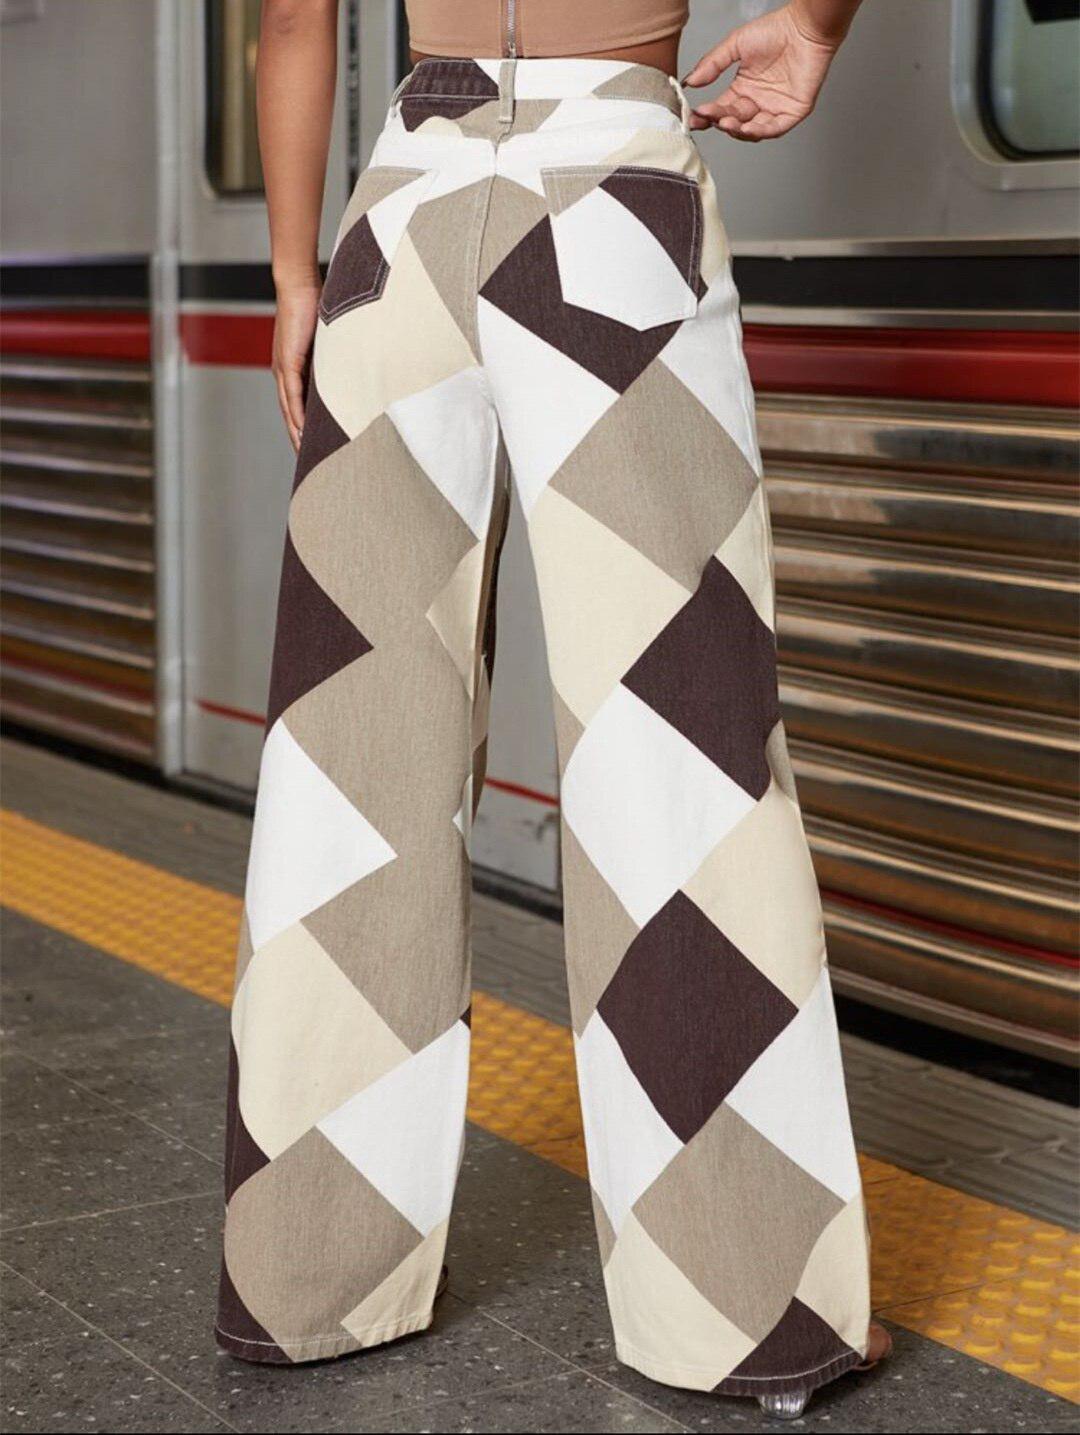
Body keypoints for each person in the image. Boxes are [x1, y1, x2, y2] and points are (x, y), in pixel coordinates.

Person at [216, 0, 892, 1419]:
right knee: (678, 751)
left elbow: (291, 19)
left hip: (399, 221)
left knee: (347, 761)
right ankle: (741, 1308)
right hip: (612, 198)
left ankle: (303, 1280)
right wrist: (816, 30)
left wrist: (291, 278)